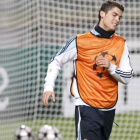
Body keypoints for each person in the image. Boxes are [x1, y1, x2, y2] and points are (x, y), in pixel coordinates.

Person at [42, 1, 133, 140]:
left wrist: (111, 67)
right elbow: (56, 60)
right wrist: (48, 86)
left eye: (120, 17)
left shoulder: (121, 43)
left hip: (109, 109)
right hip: (86, 107)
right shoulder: (80, 41)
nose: (117, 20)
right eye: (114, 15)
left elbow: (127, 77)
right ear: (102, 14)